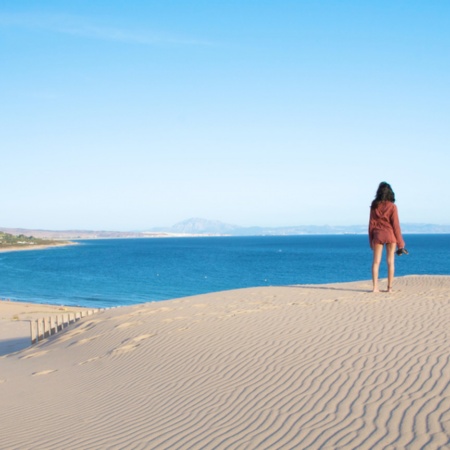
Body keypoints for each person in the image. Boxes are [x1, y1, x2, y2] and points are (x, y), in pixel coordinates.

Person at [369, 182, 406, 292]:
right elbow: (396, 226)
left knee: (376, 262)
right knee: (390, 262)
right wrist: (401, 243)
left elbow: (371, 224)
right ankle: (389, 288)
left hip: (378, 235)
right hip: (390, 235)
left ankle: (375, 288)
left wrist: (371, 239)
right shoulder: (392, 206)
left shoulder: (374, 205)